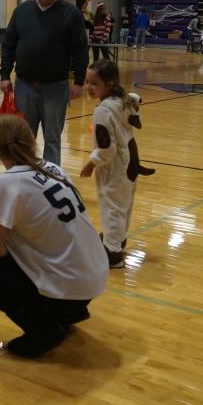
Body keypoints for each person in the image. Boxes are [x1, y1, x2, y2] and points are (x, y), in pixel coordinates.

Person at [0, 115, 108, 358]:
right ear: (30, 140)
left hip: (68, 288)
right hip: (93, 279)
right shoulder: (54, 168)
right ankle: (67, 314)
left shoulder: (8, 183)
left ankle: (43, 330)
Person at [0, 0, 87, 166]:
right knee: (24, 140)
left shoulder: (71, 14)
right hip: (24, 86)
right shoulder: (21, 12)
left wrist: (79, 81)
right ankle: (25, 179)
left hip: (56, 88)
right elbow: (9, 44)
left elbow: (80, 49)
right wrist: (5, 75)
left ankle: (52, 182)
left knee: (53, 140)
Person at [80, 60, 151, 267]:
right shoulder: (124, 100)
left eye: (94, 83)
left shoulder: (103, 110)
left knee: (112, 207)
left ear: (109, 84)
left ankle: (112, 253)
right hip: (130, 161)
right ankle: (117, 240)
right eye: (87, 82)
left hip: (116, 166)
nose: (88, 87)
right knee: (123, 205)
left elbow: (106, 148)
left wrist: (92, 163)